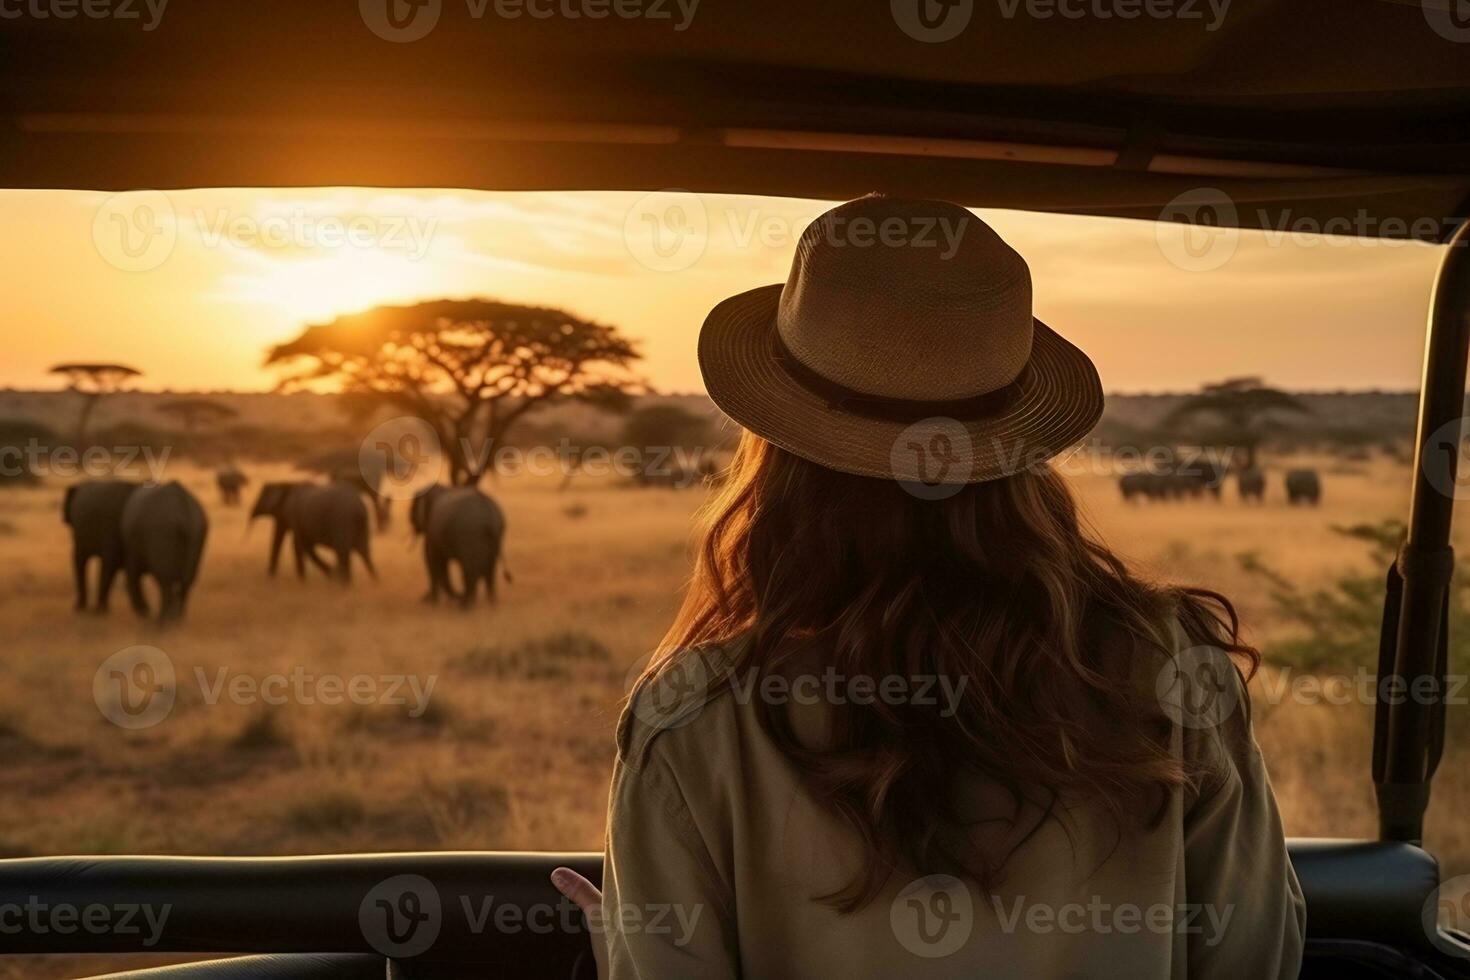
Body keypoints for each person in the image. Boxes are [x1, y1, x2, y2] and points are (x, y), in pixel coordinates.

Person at [552, 195, 1305, 978]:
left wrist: (630, 950)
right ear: (1017, 448)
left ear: (777, 448)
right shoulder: (1170, 673)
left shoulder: (695, 720)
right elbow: (1258, 957)